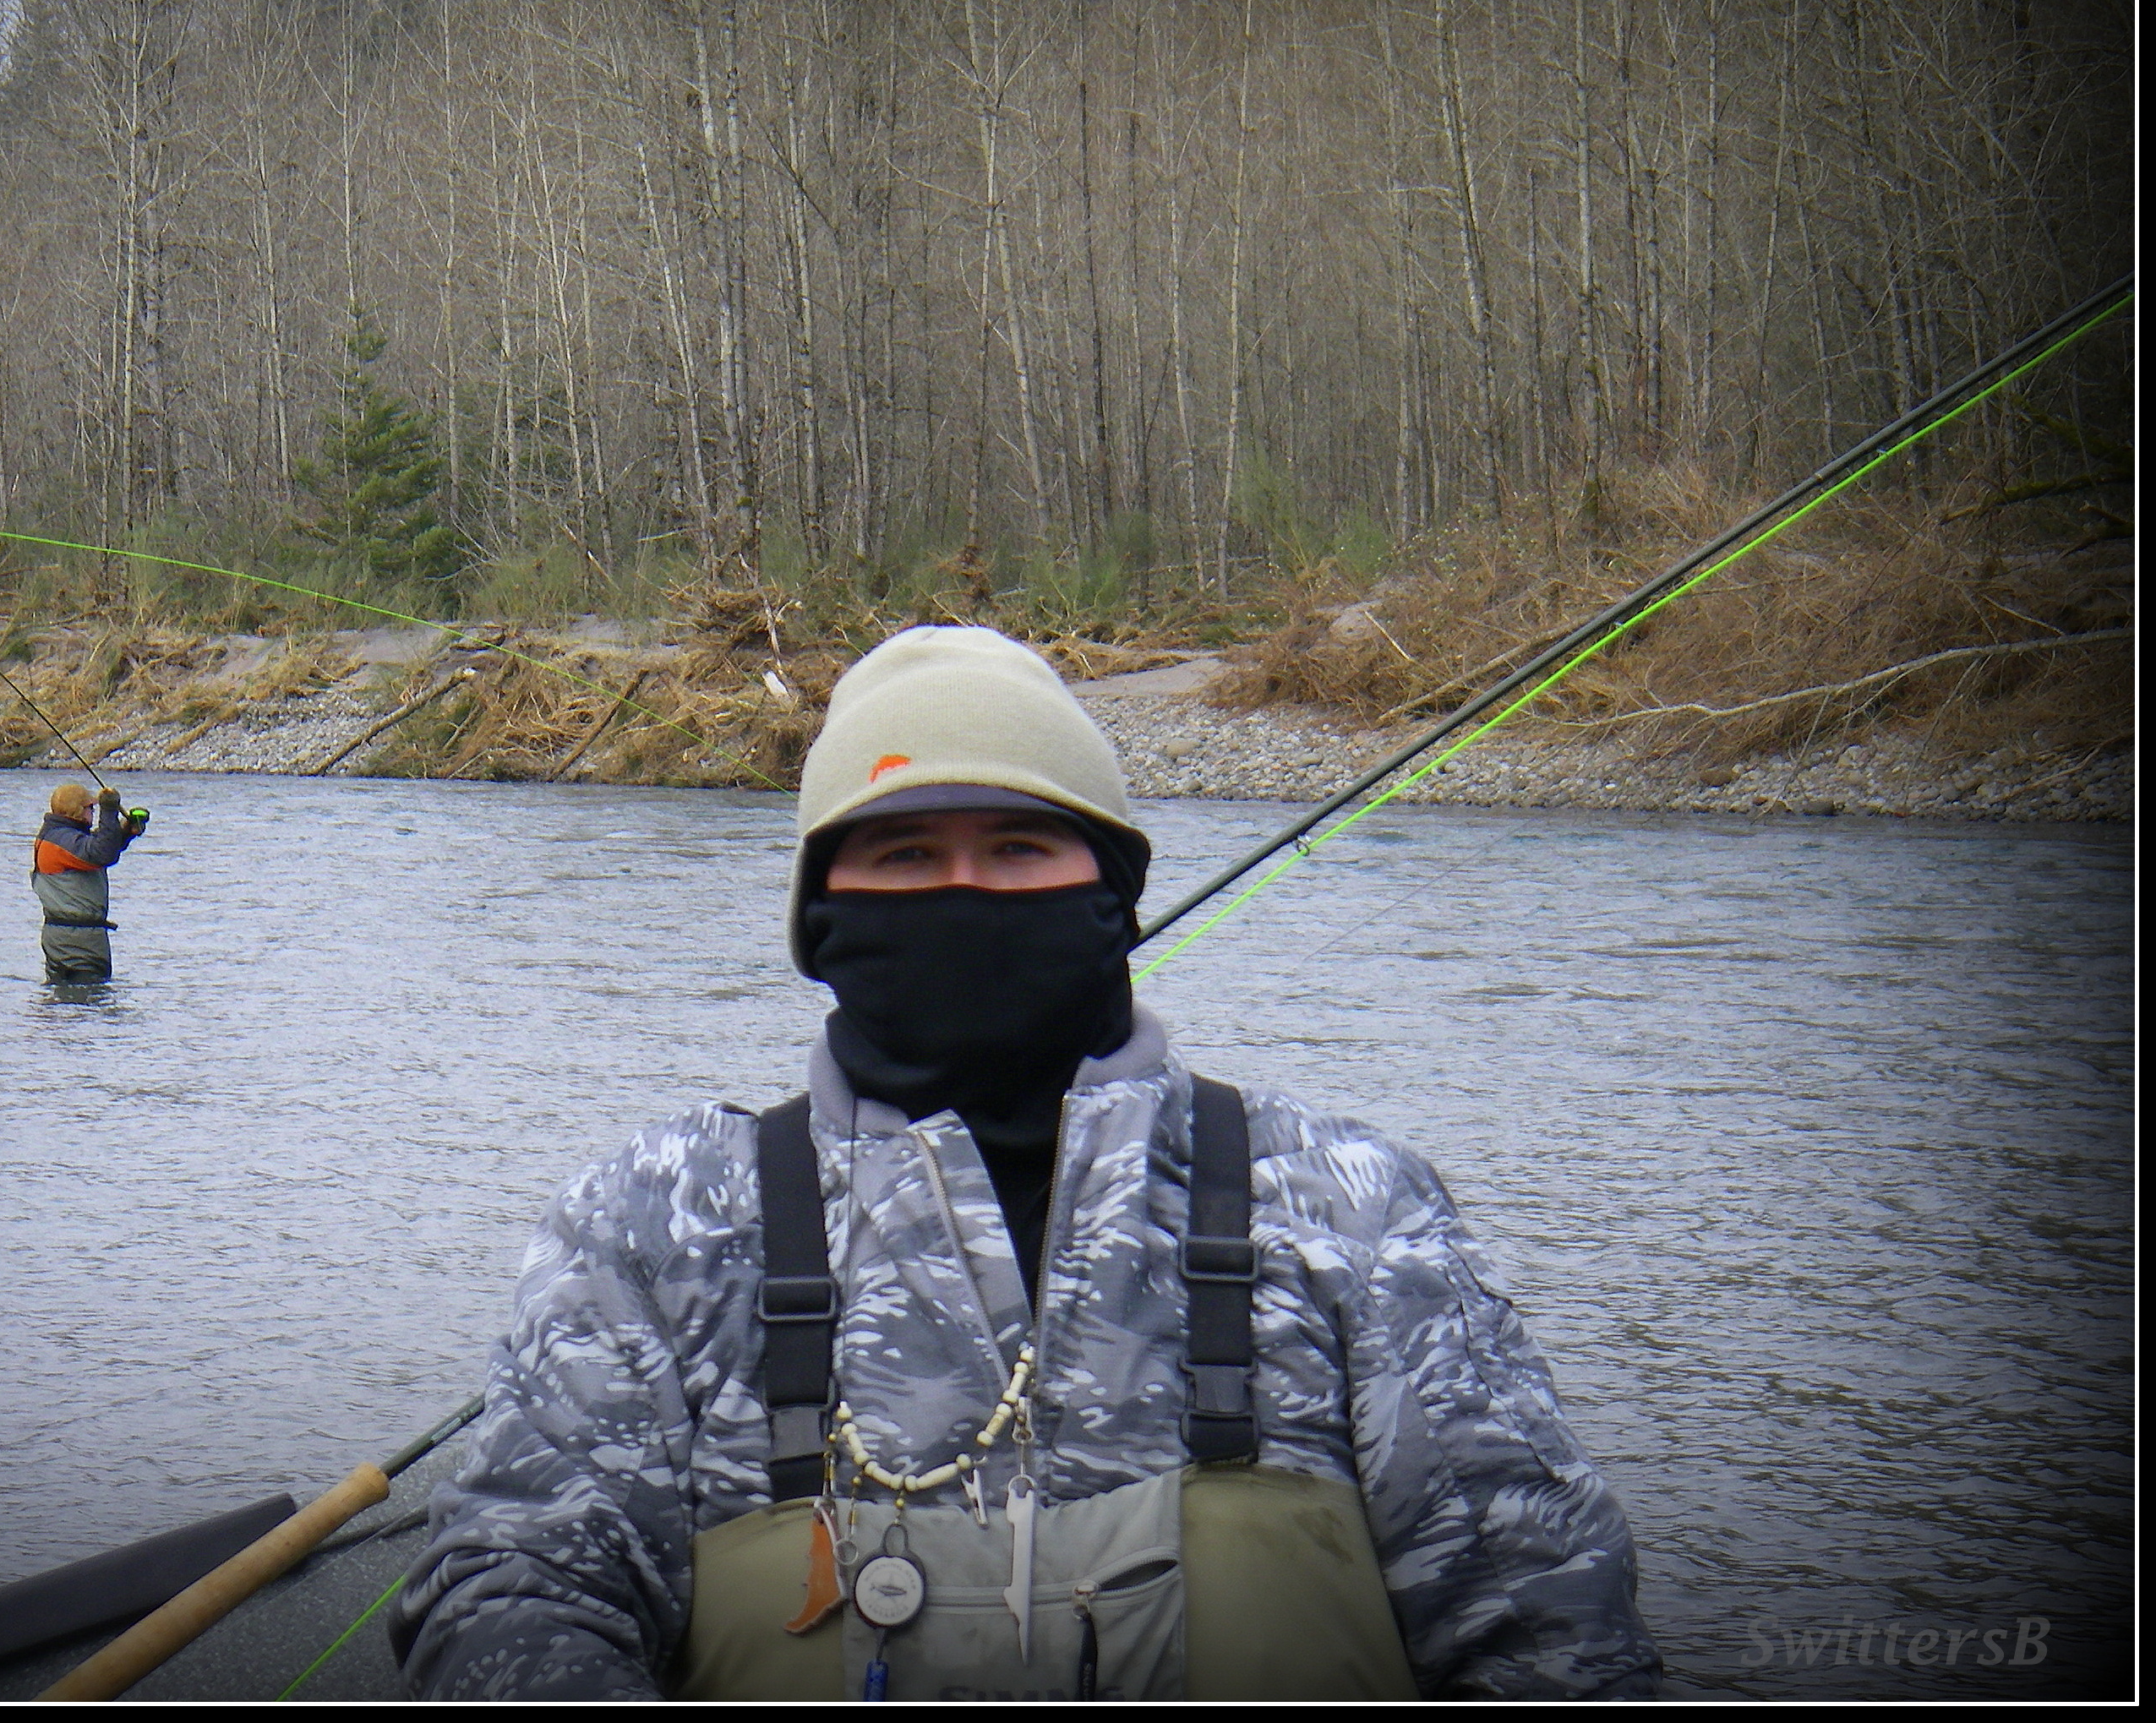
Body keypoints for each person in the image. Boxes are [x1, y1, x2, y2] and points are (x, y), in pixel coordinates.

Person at [389, 625, 1658, 1699]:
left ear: (1112, 895)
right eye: (904, 855)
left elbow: (1548, 1615)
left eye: (1017, 848)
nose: (966, 893)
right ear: (821, 917)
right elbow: (518, 1582)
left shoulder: (1350, 1202)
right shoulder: (657, 1214)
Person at [32, 780, 145, 983]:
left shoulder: (57, 837)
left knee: (65, 996)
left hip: (65, 938)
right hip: (78, 942)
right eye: (90, 808)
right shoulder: (61, 841)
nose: (93, 812)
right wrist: (109, 811)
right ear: (76, 811)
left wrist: (126, 832)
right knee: (90, 996)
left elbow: (97, 848)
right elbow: (102, 853)